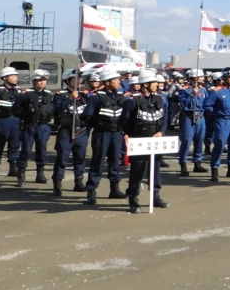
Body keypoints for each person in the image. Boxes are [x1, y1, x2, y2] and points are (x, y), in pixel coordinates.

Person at [120, 69, 168, 213]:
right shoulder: (132, 102)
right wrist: (126, 134)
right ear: (145, 84)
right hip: (139, 141)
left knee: (155, 169)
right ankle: (133, 198)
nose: (157, 85)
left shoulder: (158, 99)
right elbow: (124, 121)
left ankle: (155, 196)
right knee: (138, 171)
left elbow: (164, 118)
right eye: (154, 82)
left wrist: (161, 131)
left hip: (156, 141)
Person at [82, 68, 127, 203]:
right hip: (102, 134)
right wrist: (99, 125)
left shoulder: (121, 96)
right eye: (116, 80)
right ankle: (91, 191)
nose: (119, 82)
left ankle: (114, 189)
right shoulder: (96, 98)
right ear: (107, 82)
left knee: (115, 161)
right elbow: (87, 116)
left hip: (117, 133)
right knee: (98, 162)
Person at [52, 70, 89, 195]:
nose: (79, 81)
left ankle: (79, 182)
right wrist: (69, 98)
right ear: (68, 81)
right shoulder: (60, 95)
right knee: (62, 159)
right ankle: (57, 184)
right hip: (66, 131)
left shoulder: (84, 96)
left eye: (80, 79)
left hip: (81, 131)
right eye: (76, 79)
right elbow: (57, 110)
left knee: (80, 158)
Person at [0, 67, 24, 181]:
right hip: (0, 121)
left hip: (15, 121)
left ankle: (13, 168)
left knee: (14, 145)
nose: (16, 78)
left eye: (16, 76)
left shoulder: (20, 91)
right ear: (5, 78)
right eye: (13, 76)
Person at [17, 69, 54, 187]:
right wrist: (25, 117)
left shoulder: (49, 95)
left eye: (44, 80)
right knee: (26, 150)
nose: (42, 82)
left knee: (42, 150)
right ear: (34, 81)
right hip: (29, 126)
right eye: (39, 80)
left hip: (43, 126)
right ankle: (21, 175)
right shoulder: (26, 95)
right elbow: (16, 109)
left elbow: (52, 110)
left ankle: (40, 174)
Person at [209, 67, 230, 182]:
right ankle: (214, 169)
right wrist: (217, 114)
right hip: (222, 121)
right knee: (219, 145)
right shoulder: (216, 91)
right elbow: (208, 106)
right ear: (224, 78)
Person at [177, 69, 209, 176]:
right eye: (200, 77)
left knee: (199, 140)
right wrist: (191, 95)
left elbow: (206, 103)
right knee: (186, 140)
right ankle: (183, 163)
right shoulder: (184, 90)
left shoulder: (203, 90)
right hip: (189, 116)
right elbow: (183, 103)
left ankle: (197, 163)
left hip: (200, 117)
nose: (202, 78)